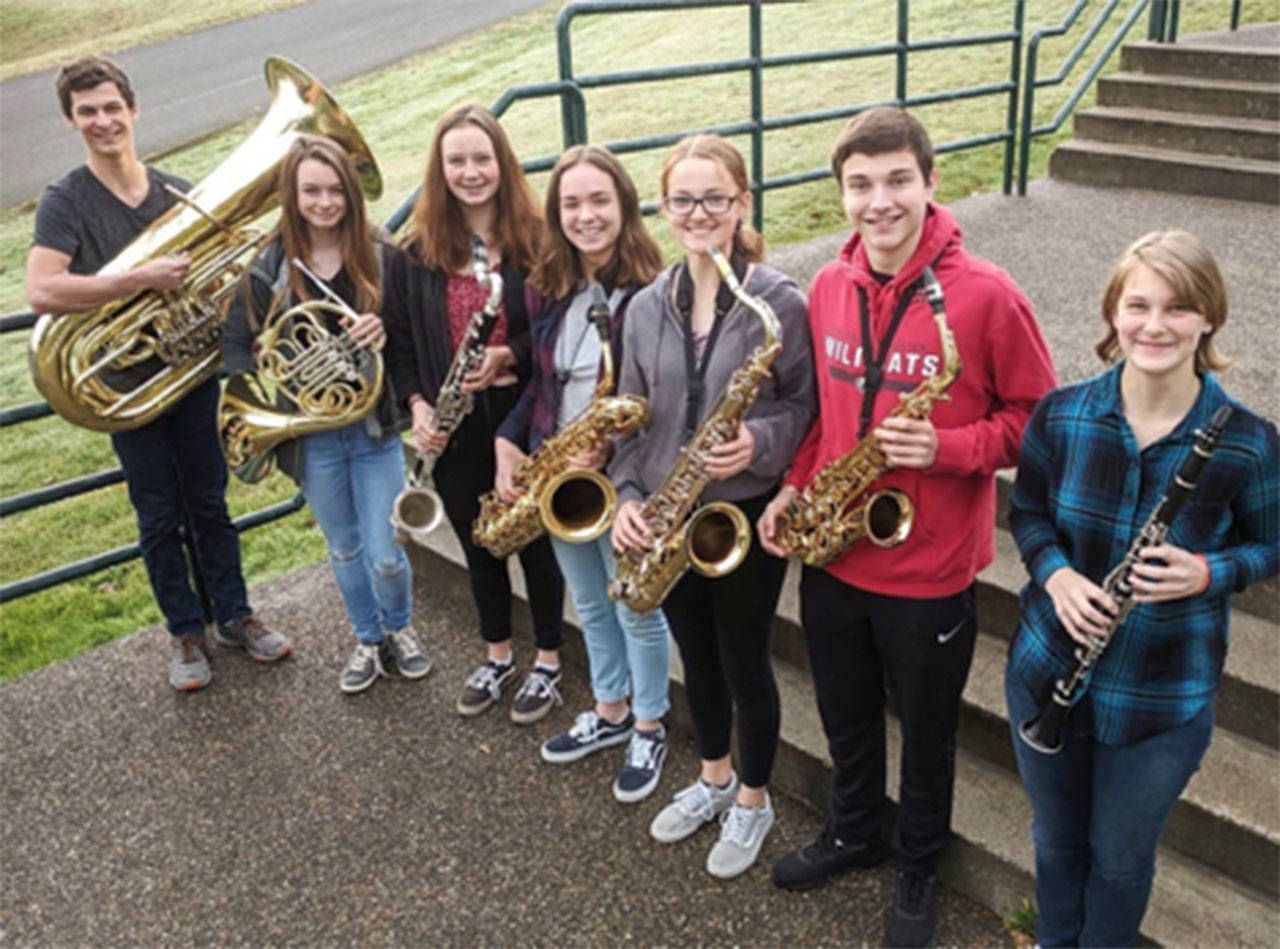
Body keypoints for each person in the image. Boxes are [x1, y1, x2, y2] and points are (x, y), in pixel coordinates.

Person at [757, 106, 1056, 946]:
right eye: (860, 183)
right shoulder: (825, 286)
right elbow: (823, 415)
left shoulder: (988, 296)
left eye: (897, 180)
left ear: (930, 181)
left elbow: (1041, 421)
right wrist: (793, 484)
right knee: (846, 716)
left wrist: (950, 444)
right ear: (840, 192)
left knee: (926, 732)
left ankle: (917, 863)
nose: (878, 200)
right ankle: (856, 830)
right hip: (834, 557)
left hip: (929, 573)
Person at [1005, 230, 1278, 947]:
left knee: (1121, 861)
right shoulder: (1061, 414)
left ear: (1208, 318)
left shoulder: (1248, 441)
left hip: (1161, 695)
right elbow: (1028, 513)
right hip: (1047, 670)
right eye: (1138, 304)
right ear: (1112, 313)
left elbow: (1274, 542)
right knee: (1056, 843)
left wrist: (1210, 571)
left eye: (1179, 307)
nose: (1155, 325)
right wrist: (1057, 576)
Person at [25, 55, 291, 692]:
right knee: (158, 514)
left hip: (189, 378)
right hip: (127, 389)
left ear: (133, 110)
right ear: (71, 120)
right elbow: (41, 291)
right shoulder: (67, 202)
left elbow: (216, 285)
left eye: (112, 107)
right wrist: (136, 280)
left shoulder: (177, 192)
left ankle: (235, 614)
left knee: (210, 502)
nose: (102, 121)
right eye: (87, 111)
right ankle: (185, 632)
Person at [610, 133, 815, 877]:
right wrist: (628, 495)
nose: (699, 213)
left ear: (742, 203)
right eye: (684, 199)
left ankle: (754, 803)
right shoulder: (640, 306)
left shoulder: (780, 300)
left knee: (743, 660)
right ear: (665, 207)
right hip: (668, 519)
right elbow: (627, 416)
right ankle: (713, 776)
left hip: (741, 518)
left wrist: (758, 440)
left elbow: (804, 406)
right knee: (695, 658)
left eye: (715, 198)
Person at [491, 144, 673, 802]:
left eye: (599, 200)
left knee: (635, 606)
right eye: (571, 203)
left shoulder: (655, 294)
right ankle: (612, 708)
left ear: (625, 204)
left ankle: (650, 724)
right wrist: (511, 441)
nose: (586, 215)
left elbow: (664, 401)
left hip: (623, 481)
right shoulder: (548, 288)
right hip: (560, 476)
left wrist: (609, 450)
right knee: (592, 604)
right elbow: (543, 384)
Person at [221, 135, 429, 694]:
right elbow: (235, 341)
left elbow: (410, 335)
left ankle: (400, 629)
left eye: (336, 190)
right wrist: (266, 356)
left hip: (373, 429)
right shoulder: (272, 262)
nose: (324, 202)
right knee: (343, 548)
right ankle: (368, 638)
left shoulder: (382, 252)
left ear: (351, 194)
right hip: (311, 436)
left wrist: (382, 331)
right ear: (293, 193)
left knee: (386, 555)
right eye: (311, 190)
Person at [382, 103, 566, 722]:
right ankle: (496, 655)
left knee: (535, 545)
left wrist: (509, 355)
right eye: (456, 160)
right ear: (440, 168)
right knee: (477, 544)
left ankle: (547, 661)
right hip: (454, 428)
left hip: (523, 419)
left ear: (502, 162)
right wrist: (416, 404)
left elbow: (555, 331)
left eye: (481, 158)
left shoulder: (539, 240)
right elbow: (401, 341)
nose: (470, 171)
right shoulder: (415, 253)